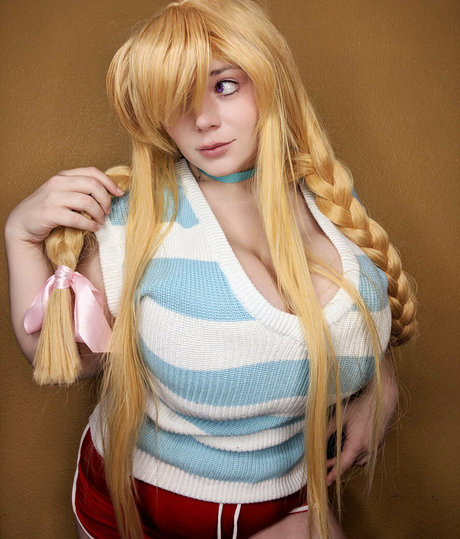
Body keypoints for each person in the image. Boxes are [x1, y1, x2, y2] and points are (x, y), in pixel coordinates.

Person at [5, 1, 417, 538]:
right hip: (132, 511)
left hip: (283, 503)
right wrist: (19, 236)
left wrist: (381, 386)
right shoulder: (140, 223)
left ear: (272, 79)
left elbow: (355, 316)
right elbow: (64, 357)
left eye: (225, 86)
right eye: (176, 100)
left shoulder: (329, 200)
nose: (202, 121)